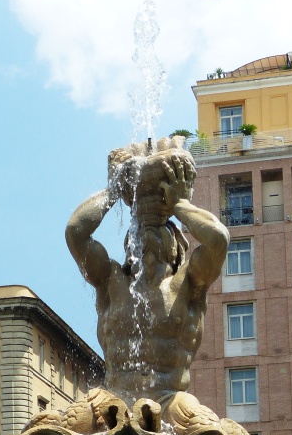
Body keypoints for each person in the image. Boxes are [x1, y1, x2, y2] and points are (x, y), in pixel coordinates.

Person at [65, 140, 229, 403]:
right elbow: (76, 231)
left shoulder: (189, 282)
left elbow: (218, 239)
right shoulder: (110, 279)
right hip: (114, 403)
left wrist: (180, 204)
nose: (146, 240)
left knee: (211, 430)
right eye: (139, 235)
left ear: (176, 246)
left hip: (170, 401)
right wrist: (114, 190)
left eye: (160, 233)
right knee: (47, 430)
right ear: (129, 246)